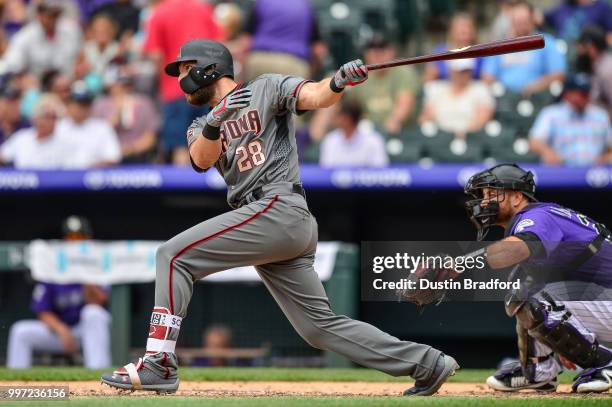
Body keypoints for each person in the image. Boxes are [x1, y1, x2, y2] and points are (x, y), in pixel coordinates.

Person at [101, 39, 458, 396]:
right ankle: (428, 363)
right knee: (318, 328)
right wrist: (215, 122)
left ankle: (158, 363)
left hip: (278, 206)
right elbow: (202, 158)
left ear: (206, 67)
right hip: (267, 220)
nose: (180, 79)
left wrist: (338, 82)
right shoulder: (200, 124)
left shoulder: (266, 87)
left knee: (173, 255)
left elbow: (316, 95)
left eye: (183, 69)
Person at [462, 164, 612, 393]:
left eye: (492, 194)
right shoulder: (540, 215)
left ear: (517, 197)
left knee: (531, 297)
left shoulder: (536, 215)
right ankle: (538, 371)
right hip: (602, 297)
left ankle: (604, 362)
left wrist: (458, 264)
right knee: (525, 287)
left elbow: (520, 248)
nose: (484, 202)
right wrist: (566, 345)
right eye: (483, 196)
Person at [6, 216, 112, 369]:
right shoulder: (53, 265)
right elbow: (43, 311)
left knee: (93, 313)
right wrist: (62, 330)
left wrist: (85, 275)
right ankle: (15, 384)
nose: (75, 242)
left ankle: (98, 373)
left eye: (79, 237)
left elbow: (99, 301)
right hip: (60, 333)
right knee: (20, 331)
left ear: (88, 239)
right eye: (71, 237)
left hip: (87, 332)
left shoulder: (97, 264)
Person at [142, 0, 224, 164]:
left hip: (175, 88)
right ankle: (207, 188)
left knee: (181, 145)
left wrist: (162, 80)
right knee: (209, 141)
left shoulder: (159, 13)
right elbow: (220, 45)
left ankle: (184, 190)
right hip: (206, 87)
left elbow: (155, 55)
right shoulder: (202, 8)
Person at [482, 1, 566, 96]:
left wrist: (535, 87)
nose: (521, 24)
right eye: (517, 21)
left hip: (537, 97)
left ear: (532, 20)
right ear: (511, 21)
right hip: (503, 98)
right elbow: (487, 76)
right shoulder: (499, 45)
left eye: (524, 21)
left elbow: (558, 74)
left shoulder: (546, 42)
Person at [529, 74, 611, 166]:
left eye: (586, 93)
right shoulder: (551, 114)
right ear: (567, 94)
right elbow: (534, 142)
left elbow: (609, 145)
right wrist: (547, 152)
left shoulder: (600, 115)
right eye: (580, 94)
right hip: (562, 171)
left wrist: (606, 157)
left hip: (594, 173)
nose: (584, 97)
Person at [240, 0, 326, 81]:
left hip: (259, 61)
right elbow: (318, 50)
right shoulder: (306, 7)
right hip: (293, 65)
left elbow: (246, 41)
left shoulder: (262, 3)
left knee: (255, 96)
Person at [92, 66, 159, 163]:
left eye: (128, 84)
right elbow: (96, 136)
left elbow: (151, 137)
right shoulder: (101, 104)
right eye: (120, 85)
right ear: (110, 85)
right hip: (106, 159)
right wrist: (117, 112)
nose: (125, 89)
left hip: (138, 158)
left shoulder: (144, 103)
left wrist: (131, 148)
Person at [1, 0, 81, 78]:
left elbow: (81, 58)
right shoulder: (25, 36)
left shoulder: (71, 30)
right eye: (49, 15)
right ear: (39, 15)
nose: (53, 19)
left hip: (67, 82)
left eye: (56, 15)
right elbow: (11, 64)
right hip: (39, 85)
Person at [419, 58, 495, 137]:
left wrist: (461, 134)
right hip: (439, 137)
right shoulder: (436, 89)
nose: (462, 74)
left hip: (471, 138)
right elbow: (426, 116)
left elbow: (482, 118)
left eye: (466, 71)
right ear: (451, 71)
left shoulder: (480, 89)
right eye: (458, 71)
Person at [55, 84, 121, 168]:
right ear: (69, 105)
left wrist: (85, 173)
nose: (83, 108)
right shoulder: (57, 128)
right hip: (62, 178)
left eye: (86, 104)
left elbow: (113, 158)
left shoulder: (102, 128)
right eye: (79, 104)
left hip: (93, 178)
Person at [0, 94, 63, 169]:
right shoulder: (22, 137)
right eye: (44, 116)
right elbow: (3, 155)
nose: (47, 121)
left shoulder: (63, 143)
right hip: (22, 179)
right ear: (35, 118)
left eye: (52, 118)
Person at [320, 101, 388, 168]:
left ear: (348, 118)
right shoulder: (330, 140)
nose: (335, 118)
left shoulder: (373, 141)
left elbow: (380, 171)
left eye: (338, 115)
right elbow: (326, 170)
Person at [424, 13, 484, 82]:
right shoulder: (440, 51)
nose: (465, 30)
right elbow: (428, 79)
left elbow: (487, 78)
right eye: (460, 27)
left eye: (468, 27)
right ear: (451, 31)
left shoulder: (481, 51)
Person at [576, 25, 612, 113]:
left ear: (591, 47)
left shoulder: (608, 69)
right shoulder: (591, 65)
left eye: (581, 47)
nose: (578, 51)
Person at [545, 0, 612, 44]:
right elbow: (540, 18)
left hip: (589, 55)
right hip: (562, 51)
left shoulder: (602, 8)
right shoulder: (562, 7)